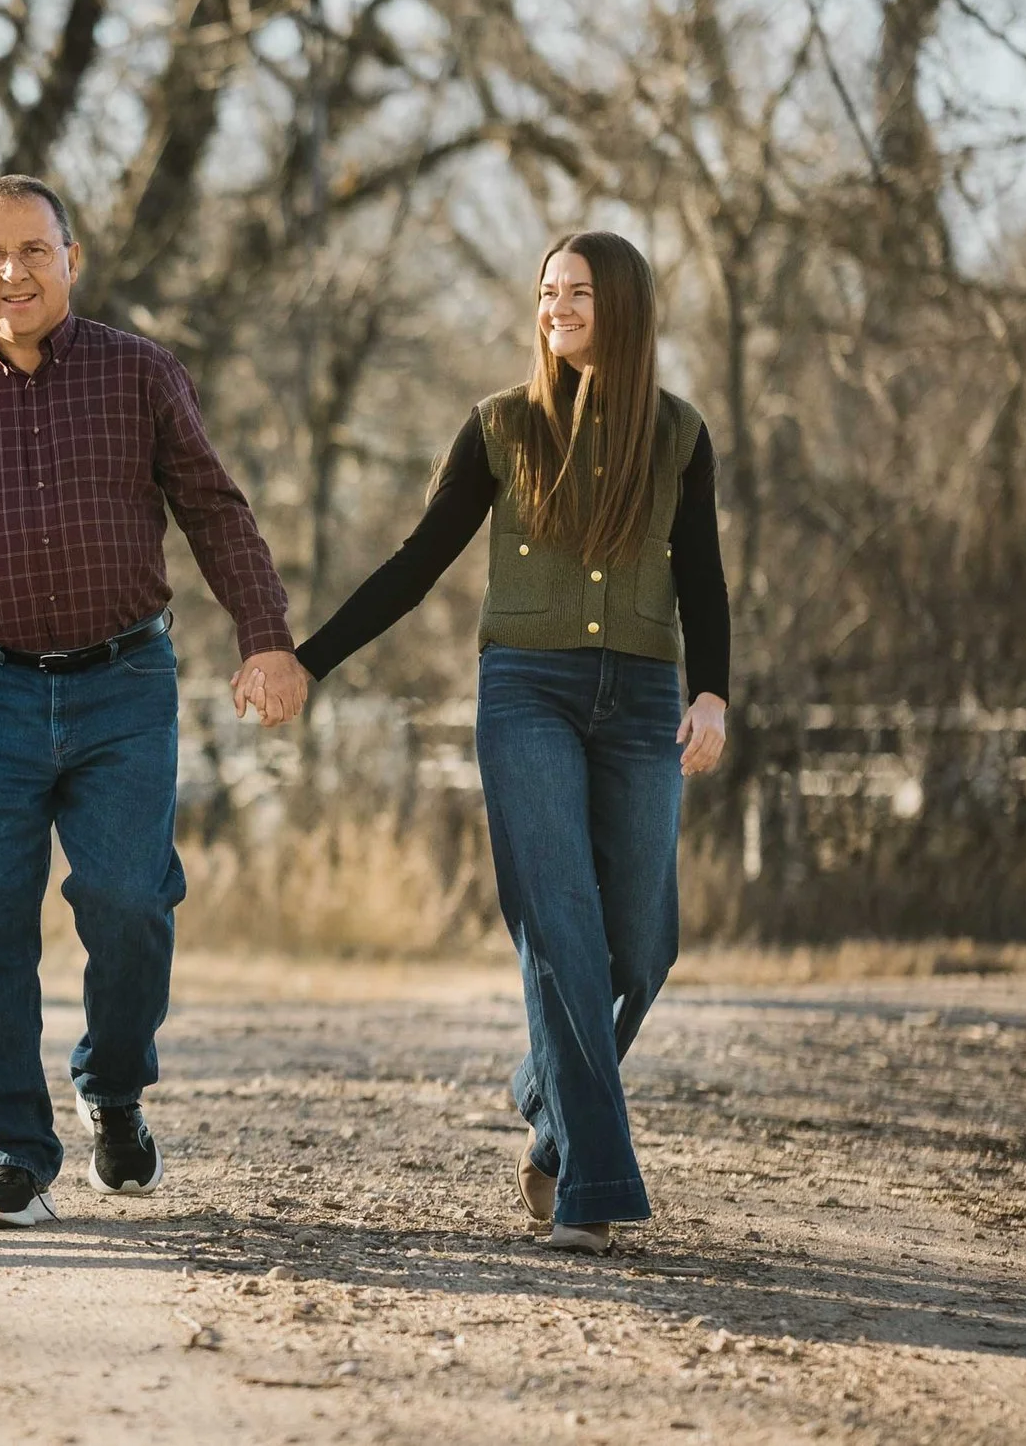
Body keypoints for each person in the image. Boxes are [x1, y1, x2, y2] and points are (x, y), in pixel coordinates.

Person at [0, 174, 306, 1229]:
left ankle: (114, 1084)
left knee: (129, 899)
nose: (14, 272)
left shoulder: (140, 374)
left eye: (34, 250)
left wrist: (266, 639)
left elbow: (216, 511)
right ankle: (14, 1152)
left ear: (70, 258)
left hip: (122, 683)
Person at [295, 231, 729, 1257]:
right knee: (561, 929)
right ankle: (592, 1181)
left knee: (644, 942)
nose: (556, 307)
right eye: (546, 292)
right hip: (525, 695)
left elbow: (702, 575)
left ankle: (547, 1100)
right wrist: (309, 660)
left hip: (642, 703)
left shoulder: (679, 433)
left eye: (577, 291)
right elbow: (416, 560)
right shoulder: (499, 426)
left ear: (622, 304)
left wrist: (711, 690)